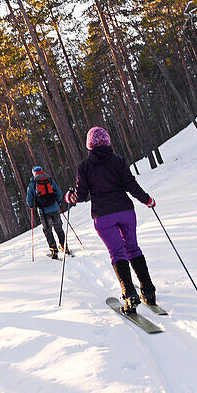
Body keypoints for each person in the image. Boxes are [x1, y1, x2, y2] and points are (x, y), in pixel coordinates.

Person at [65, 127, 158, 313]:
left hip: (103, 216)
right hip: (125, 211)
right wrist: (147, 199)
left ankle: (130, 294)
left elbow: (81, 195)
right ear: (108, 141)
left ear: (89, 145)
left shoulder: (84, 166)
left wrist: (70, 197)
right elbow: (131, 184)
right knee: (133, 248)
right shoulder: (118, 161)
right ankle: (148, 291)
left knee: (118, 253)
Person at [26, 165, 70, 259]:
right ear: (42, 171)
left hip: (43, 211)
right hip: (54, 208)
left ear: (34, 173)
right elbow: (59, 193)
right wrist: (57, 202)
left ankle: (54, 251)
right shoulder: (50, 180)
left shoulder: (32, 185)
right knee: (58, 227)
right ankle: (64, 247)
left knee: (48, 230)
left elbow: (29, 201)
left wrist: (31, 206)